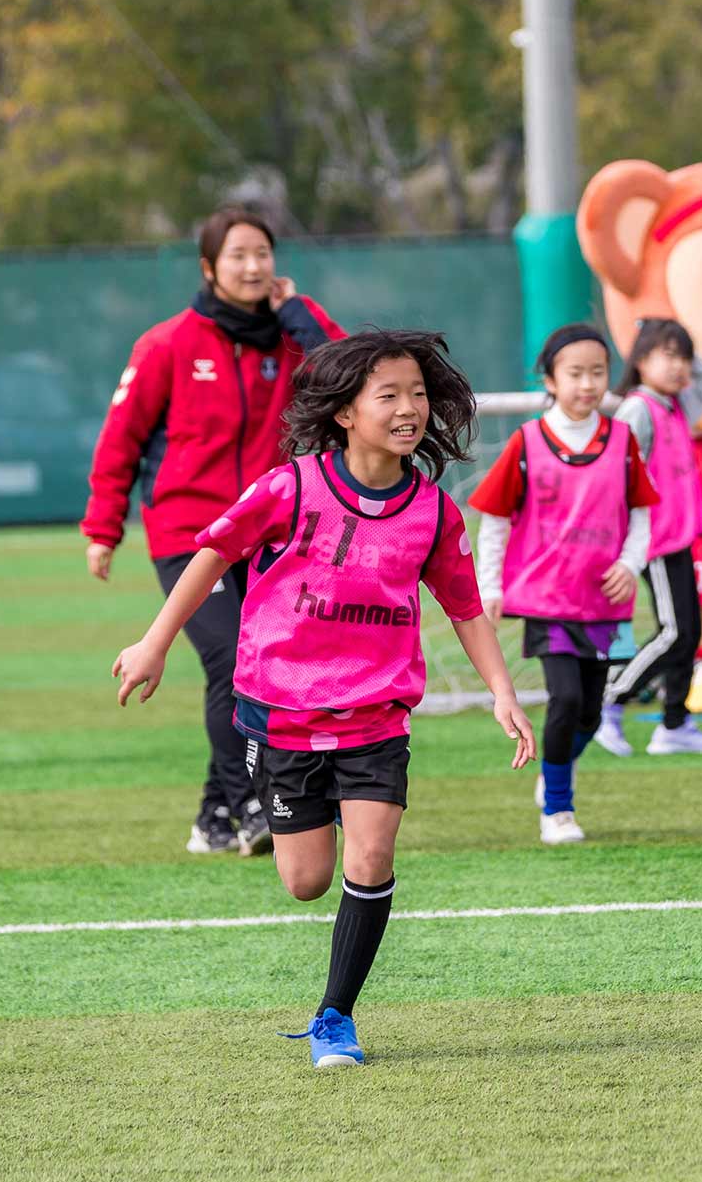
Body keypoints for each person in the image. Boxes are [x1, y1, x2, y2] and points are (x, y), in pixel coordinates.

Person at [112, 331, 533, 1070]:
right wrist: (153, 642)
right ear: (345, 411)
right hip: (283, 711)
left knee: (371, 852)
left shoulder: (434, 513)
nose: (409, 409)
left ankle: (335, 1016)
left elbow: (466, 609)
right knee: (306, 881)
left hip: (376, 717)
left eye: (418, 395)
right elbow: (211, 551)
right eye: (389, 395)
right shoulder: (289, 487)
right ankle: (309, 807)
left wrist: (502, 691)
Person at [84, 206, 345, 857]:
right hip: (187, 532)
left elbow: (350, 376)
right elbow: (121, 439)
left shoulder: (291, 336)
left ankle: (213, 817)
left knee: (261, 668)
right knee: (229, 661)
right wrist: (103, 527)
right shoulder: (167, 343)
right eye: (238, 255)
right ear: (209, 267)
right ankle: (254, 805)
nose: (253, 265)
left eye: (262, 253)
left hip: (271, 532)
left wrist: (302, 319)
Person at [468, 325, 661, 844]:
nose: (587, 383)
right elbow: (495, 519)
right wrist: (490, 587)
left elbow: (642, 513)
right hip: (548, 601)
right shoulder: (527, 441)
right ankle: (558, 808)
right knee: (567, 699)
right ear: (550, 379)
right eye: (575, 373)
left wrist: (629, 562)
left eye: (597, 372)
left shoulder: (621, 440)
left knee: (593, 712)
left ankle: (553, 768)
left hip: (604, 601)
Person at [589, 318, 702, 759]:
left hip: (680, 537)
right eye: (666, 356)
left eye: (683, 357)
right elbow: (618, 475)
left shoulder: (674, 405)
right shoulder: (639, 409)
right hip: (654, 539)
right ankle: (610, 701)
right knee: (673, 632)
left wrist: (680, 337)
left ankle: (674, 723)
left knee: (689, 634)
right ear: (641, 360)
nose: (679, 367)